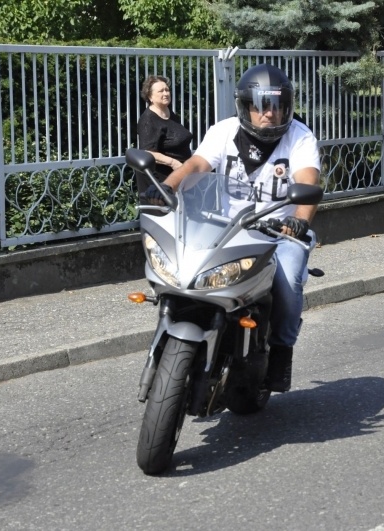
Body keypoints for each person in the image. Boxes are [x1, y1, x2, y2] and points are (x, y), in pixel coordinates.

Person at [143, 64, 320, 393]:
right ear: (245, 106)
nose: (269, 113)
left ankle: (282, 350)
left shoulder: (299, 136)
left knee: (289, 279)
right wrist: (167, 187)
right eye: (260, 105)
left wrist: (299, 221)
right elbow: (197, 164)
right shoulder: (223, 131)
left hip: (279, 233)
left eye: (276, 106)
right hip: (229, 229)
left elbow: (308, 181)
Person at [136, 76, 194, 197]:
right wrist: (173, 163)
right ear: (150, 97)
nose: (166, 93)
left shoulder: (168, 113)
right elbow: (148, 152)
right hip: (163, 181)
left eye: (167, 90)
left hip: (182, 177)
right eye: (161, 91)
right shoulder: (148, 120)